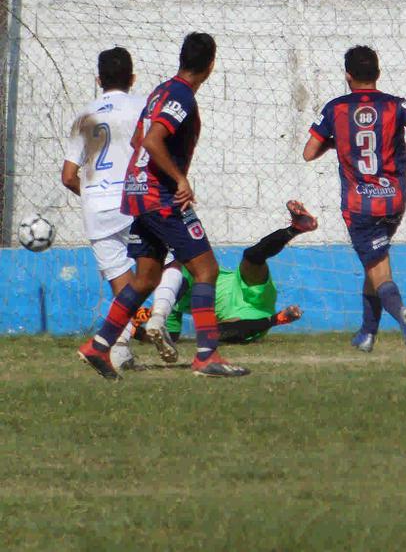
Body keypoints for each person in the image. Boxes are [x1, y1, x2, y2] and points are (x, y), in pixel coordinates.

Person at [77, 32, 248, 379]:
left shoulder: (160, 91)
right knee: (206, 270)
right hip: (161, 196)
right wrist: (179, 179)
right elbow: (153, 140)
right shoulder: (182, 96)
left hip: (138, 192)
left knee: (147, 278)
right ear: (211, 66)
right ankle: (206, 356)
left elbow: (141, 138)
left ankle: (98, 345)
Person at [303, 45, 406, 354]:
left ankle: (402, 314)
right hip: (394, 200)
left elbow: (309, 152)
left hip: (360, 205)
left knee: (379, 270)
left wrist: (337, 144)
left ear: (348, 76)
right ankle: (367, 334)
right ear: (378, 74)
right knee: (373, 263)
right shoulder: (397, 104)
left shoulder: (335, 108)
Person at [61, 47, 147, 372]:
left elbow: (68, 176)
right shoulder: (142, 106)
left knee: (121, 286)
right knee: (169, 263)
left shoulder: (84, 117)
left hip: (96, 207)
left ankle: (120, 351)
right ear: (133, 78)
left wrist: (93, 196)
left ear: (98, 79)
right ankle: (159, 319)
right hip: (135, 201)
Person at [141, 200, 317, 359]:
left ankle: (295, 228)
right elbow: (169, 337)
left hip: (243, 287)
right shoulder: (169, 300)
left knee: (252, 256)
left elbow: (178, 273)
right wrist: (135, 331)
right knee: (214, 334)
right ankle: (277, 319)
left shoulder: (183, 270)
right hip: (250, 320)